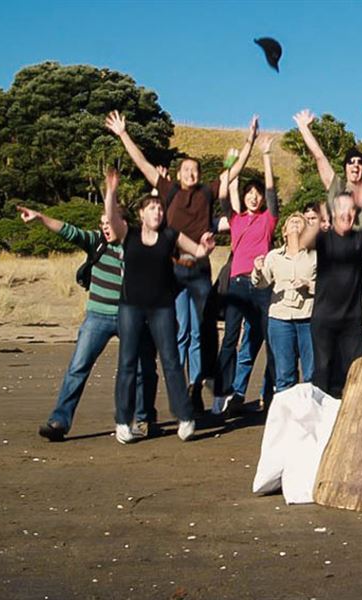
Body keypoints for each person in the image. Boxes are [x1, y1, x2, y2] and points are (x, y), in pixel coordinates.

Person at [105, 111, 258, 410]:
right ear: (177, 174)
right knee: (181, 330)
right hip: (171, 268)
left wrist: (249, 139)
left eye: (195, 170)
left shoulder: (207, 192)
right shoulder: (168, 189)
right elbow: (143, 164)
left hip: (199, 267)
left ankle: (196, 383)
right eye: (186, 169)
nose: (191, 173)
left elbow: (234, 171)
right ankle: (180, 386)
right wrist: (124, 134)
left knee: (202, 328)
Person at [20, 206, 158, 442]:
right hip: (97, 316)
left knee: (141, 370)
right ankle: (59, 422)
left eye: (109, 222)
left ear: (123, 223)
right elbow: (69, 231)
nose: (104, 226)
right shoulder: (96, 242)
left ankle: (144, 419)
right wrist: (41, 218)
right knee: (78, 367)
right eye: (102, 222)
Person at [101, 169, 216, 443]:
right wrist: (111, 190)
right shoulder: (127, 234)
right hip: (130, 307)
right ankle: (123, 422)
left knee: (171, 361)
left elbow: (197, 252)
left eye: (160, 209)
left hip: (162, 307)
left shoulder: (170, 235)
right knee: (127, 362)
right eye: (152, 208)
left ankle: (185, 417)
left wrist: (206, 248)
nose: (157, 212)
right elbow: (113, 219)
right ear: (142, 214)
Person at [293, 107, 362, 356]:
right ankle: (337, 377)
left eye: (359, 162)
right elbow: (320, 158)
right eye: (350, 162)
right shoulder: (336, 187)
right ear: (345, 167)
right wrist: (304, 128)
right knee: (336, 324)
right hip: (336, 267)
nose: (355, 165)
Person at [213, 136, 281, 414]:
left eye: (257, 194)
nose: (254, 196)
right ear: (242, 197)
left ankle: (271, 393)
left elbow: (271, 190)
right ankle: (222, 393)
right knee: (230, 338)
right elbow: (222, 192)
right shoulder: (236, 219)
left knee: (270, 338)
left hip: (262, 284)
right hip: (237, 284)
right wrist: (232, 162)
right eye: (248, 193)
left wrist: (265, 155)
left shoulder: (269, 219)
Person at [301, 185, 362, 397]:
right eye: (341, 209)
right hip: (324, 319)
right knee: (323, 372)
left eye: (351, 209)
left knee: (354, 374)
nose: (346, 214)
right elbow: (304, 241)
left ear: (355, 213)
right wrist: (319, 216)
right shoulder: (324, 237)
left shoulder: (360, 238)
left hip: (351, 320)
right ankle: (321, 422)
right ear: (333, 212)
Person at [252, 212, 316, 394]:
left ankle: (311, 417)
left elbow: (327, 287)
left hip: (308, 318)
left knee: (311, 374)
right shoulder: (273, 256)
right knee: (284, 375)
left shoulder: (315, 256)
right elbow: (262, 282)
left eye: (300, 222)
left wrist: (308, 284)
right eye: (291, 222)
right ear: (284, 232)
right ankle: (286, 419)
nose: (295, 224)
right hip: (280, 319)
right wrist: (257, 270)